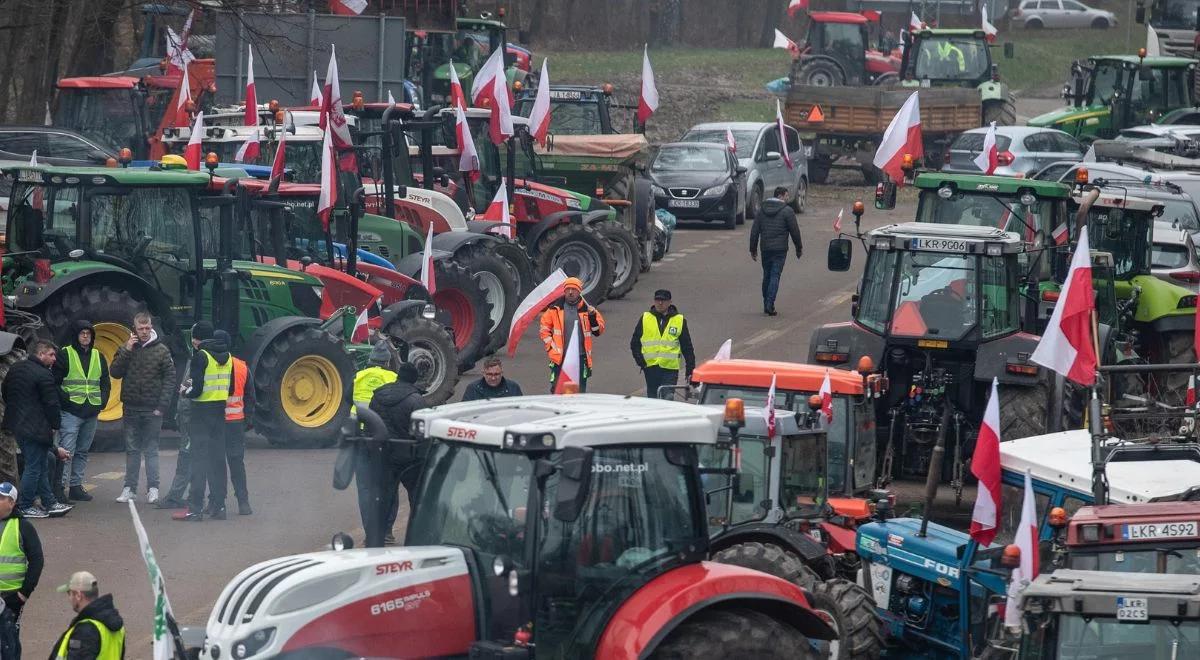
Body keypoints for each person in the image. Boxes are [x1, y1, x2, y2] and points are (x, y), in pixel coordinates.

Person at [110, 312, 175, 504]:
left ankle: (153, 488)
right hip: (130, 407)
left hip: (152, 410)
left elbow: (170, 380)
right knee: (132, 450)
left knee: (151, 449)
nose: (144, 332)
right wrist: (127, 350)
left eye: (147, 328)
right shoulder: (127, 347)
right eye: (141, 328)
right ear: (134, 329)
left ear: (151, 327)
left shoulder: (162, 350)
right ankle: (129, 488)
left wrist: (162, 407)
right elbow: (115, 372)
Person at [2, 341, 72, 518]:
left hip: (17, 424)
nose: (54, 359)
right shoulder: (43, 374)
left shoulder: (16, 368)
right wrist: (55, 425)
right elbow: (51, 403)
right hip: (36, 427)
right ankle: (25, 505)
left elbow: (5, 391)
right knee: (34, 467)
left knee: (40, 464)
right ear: (41, 354)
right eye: (51, 355)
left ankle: (49, 502)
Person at [174, 321, 231, 522]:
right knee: (217, 461)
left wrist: (184, 390)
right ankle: (219, 506)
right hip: (219, 413)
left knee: (199, 461)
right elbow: (229, 389)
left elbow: (196, 390)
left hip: (201, 414)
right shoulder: (228, 357)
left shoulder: (201, 356)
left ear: (197, 339)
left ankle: (195, 508)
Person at [368, 362, 429, 544]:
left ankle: (382, 533)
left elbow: (372, 423)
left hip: (383, 454)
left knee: (385, 495)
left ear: (398, 375)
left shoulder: (378, 395)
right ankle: (418, 532)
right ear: (413, 379)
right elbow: (421, 431)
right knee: (417, 495)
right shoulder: (415, 399)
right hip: (408, 457)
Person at [52, 321, 110, 504]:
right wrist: (67, 402)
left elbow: (105, 382)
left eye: (88, 333)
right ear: (76, 335)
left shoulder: (98, 356)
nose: (86, 336)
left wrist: (101, 403)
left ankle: (76, 487)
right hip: (71, 412)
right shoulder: (65, 354)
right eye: (82, 333)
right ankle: (59, 488)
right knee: (66, 452)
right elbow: (54, 382)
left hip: (91, 411)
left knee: (83, 451)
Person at [0, 482, 46, 658]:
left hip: (11, 597)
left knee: (9, 642)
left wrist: (23, 594)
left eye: (2, 498)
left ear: (12, 503)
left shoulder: (23, 527)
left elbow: (37, 560)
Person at [539, 277, 605, 392]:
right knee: (558, 390)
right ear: (564, 291)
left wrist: (592, 317)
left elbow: (598, 331)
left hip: (580, 357)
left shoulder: (587, 309)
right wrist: (551, 347)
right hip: (560, 358)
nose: (570, 292)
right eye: (568, 289)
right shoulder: (554, 309)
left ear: (579, 291)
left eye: (573, 289)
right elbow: (544, 329)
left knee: (578, 391)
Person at [630, 289, 696, 399]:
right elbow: (634, 343)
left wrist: (690, 370)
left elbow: (687, 347)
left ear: (670, 302)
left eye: (663, 300)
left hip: (670, 369)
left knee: (668, 397)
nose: (660, 303)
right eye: (657, 300)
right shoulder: (646, 318)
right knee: (653, 399)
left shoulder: (679, 320)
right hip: (651, 368)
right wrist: (641, 362)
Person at [749, 186, 803, 316]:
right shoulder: (787, 211)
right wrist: (798, 248)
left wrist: (753, 249)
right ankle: (770, 304)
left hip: (765, 248)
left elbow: (755, 230)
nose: (787, 198)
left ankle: (765, 302)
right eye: (786, 196)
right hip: (780, 250)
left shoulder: (762, 210)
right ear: (780, 196)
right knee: (775, 275)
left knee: (767, 275)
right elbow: (795, 231)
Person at [50, 571, 124, 660]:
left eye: (69, 593)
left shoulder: (85, 630)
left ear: (78, 595)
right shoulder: (116, 625)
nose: (69, 599)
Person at [219, 331, 253, 516]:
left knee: (218, 464)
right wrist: (246, 421)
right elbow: (250, 396)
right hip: (236, 423)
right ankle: (243, 502)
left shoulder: (210, 365)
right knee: (237, 463)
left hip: (217, 423)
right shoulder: (242, 367)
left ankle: (219, 503)